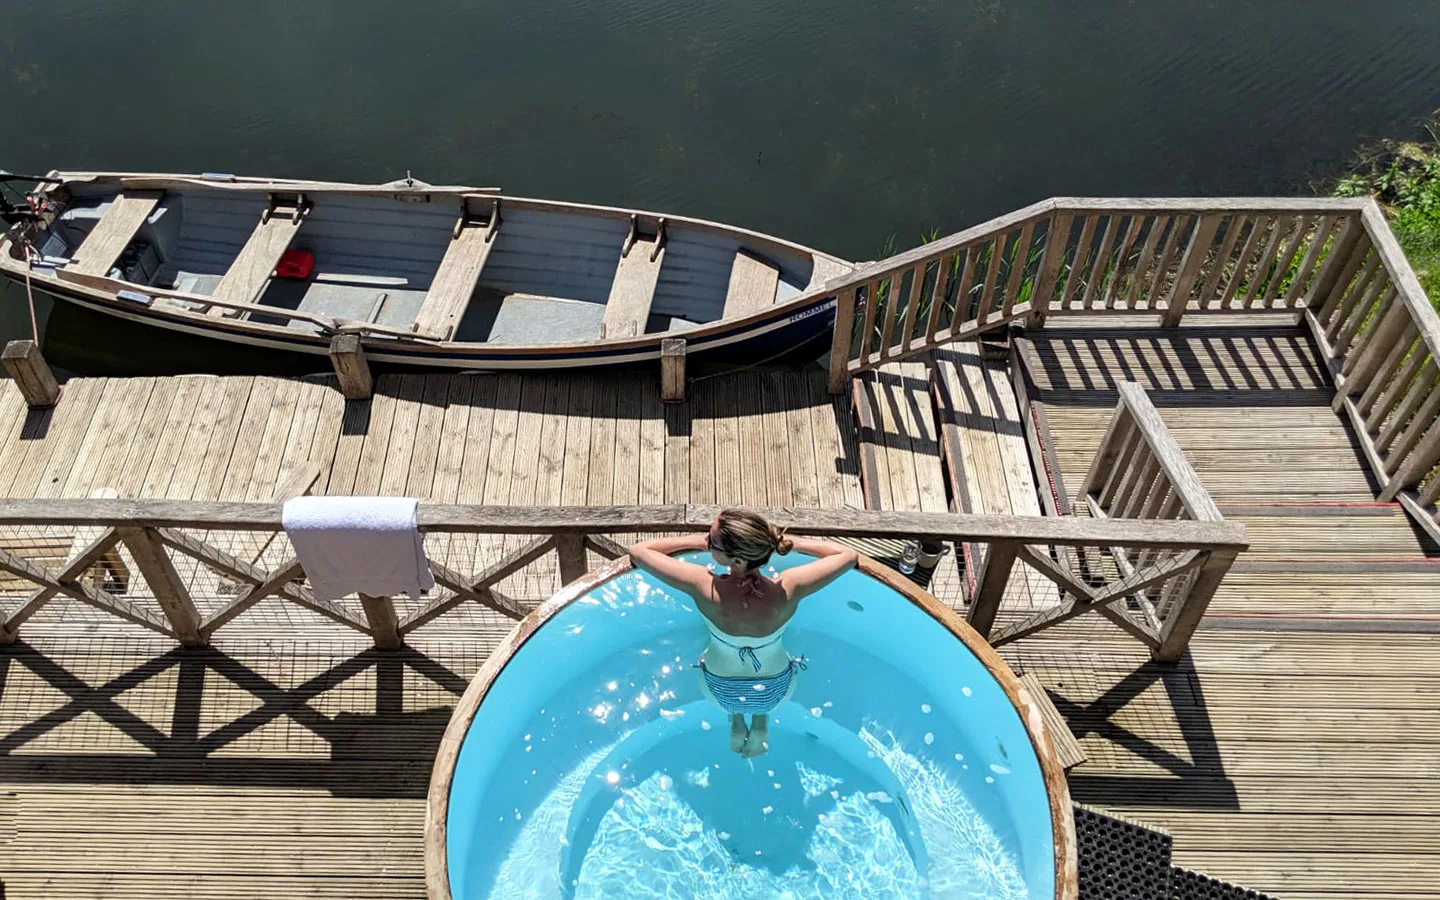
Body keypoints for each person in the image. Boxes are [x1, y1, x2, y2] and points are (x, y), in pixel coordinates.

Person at [629, 510, 857, 758]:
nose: (706, 541)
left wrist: (695, 542)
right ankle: (761, 720)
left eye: (710, 541)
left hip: (719, 688)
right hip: (775, 689)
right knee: (764, 700)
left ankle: (734, 717)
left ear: (736, 561)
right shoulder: (790, 587)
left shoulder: (702, 585)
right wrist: (786, 544)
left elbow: (640, 552)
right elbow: (847, 555)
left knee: (719, 667)